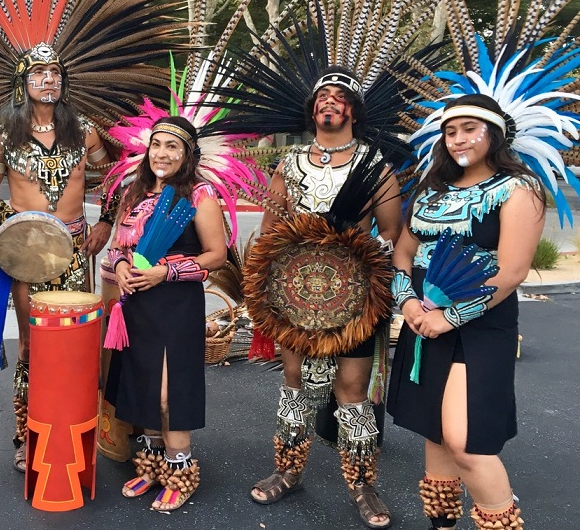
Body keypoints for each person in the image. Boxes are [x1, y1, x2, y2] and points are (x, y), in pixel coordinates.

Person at [249, 68, 401, 529]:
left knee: (352, 391)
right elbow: (270, 231)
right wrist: (267, 285)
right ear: (313, 109)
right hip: (295, 297)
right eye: (322, 98)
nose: (329, 104)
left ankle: (362, 483)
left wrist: (361, 270)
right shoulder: (290, 164)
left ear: (351, 109)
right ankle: (288, 470)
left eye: (339, 98)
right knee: (294, 383)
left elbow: (391, 232)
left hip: (355, 299)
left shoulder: (374, 164)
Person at [388, 94, 544, 530]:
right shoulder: (431, 191)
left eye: (469, 129)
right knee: (434, 430)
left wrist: (448, 317)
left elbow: (511, 272)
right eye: (450, 131)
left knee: (466, 442)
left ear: (493, 134)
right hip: (422, 319)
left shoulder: (520, 189)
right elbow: (402, 254)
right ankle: (442, 522)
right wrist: (409, 303)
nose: (458, 140)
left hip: (482, 324)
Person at [0, 44, 117, 471]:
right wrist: (12, 220)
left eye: (55, 72)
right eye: (38, 72)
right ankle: (28, 433)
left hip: (76, 250)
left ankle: (72, 423)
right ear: (23, 81)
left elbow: (110, 178)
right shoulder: (2, 134)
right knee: (31, 344)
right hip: (28, 254)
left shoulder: (86, 130)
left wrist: (105, 222)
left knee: (74, 341)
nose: (48, 80)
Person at [103, 115, 226, 512]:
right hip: (137, 303)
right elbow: (120, 245)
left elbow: (217, 256)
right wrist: (122, 267)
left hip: (175, 304)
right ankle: (153, 465)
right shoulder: (134, 191)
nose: (162, 153)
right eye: (157, 145)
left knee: (168, 391)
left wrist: (166, 271)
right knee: (143, 384)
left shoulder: (198, 195)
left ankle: (181, 471)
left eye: (172, 147)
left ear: (188, 154)